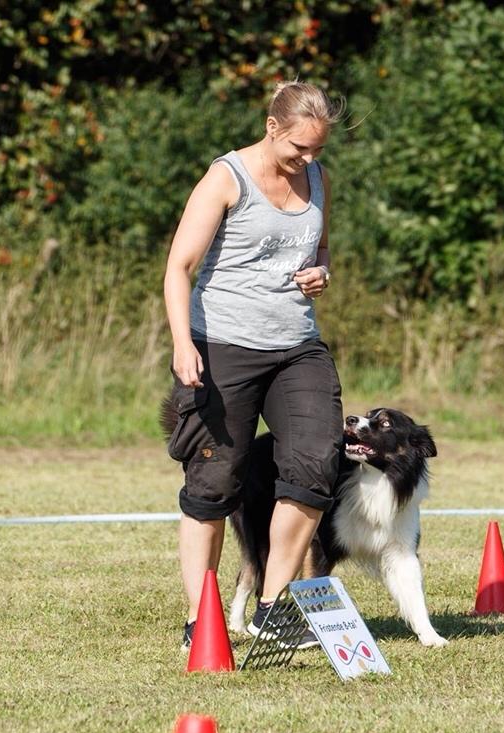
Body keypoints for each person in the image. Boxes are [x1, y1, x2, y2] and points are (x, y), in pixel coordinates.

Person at [162, 81, 345, 650]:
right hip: (222, 346)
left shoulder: (316, 179)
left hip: (297, 346)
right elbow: (178, 266)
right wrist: (180, 342)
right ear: (272, 127)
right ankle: (203, 619)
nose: (308, 160)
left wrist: (322, 273)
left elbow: (319, 250)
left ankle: (271, 606)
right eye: (299, 148)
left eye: (317, 150)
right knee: (214, 484)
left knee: (316, 466)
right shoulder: (227, 178)